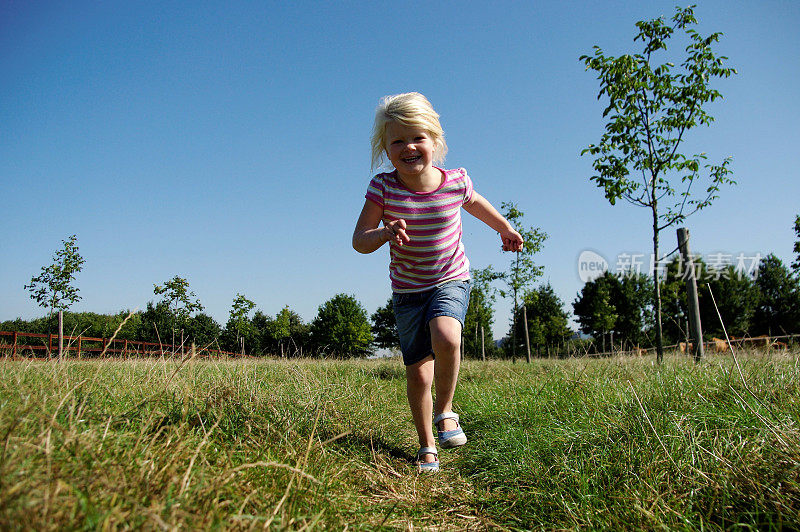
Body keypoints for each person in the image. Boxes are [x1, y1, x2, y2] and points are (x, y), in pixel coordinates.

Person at [352, 92, 524, 472]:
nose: (409, 147)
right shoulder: (383, 188)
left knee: (447, 336)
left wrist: (505, 228)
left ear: (434, 140)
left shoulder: (455, 181)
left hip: (450, 277)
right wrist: (383, 232)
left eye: (417, 137)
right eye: (397, 140)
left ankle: (446, 411)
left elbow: (476, 203)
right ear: (385, 147)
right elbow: (358, 240)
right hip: (408, 292)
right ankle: (427, 445)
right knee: (418, 372)